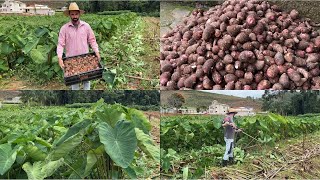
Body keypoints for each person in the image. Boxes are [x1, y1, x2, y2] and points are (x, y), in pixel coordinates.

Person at [57, 2, 100, 90]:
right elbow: (61, 44)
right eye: (72, 14)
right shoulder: (64, 28)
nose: (75, 16)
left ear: (79, 14)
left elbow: (92, 40)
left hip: (85, 58)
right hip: (71, 60)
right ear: (69, 15)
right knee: (74, 81)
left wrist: (97, 51)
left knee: (87, 80)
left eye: (76, 14)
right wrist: (59, 58)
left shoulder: (86, 26)